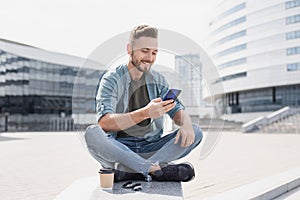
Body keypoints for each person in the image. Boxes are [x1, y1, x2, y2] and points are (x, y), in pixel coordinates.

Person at [84, 24, 203, 182]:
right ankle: (152, 169)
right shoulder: (111, 79)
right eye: (145, 51)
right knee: (92, 133)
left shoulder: (158, 80)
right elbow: (105, 122)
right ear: (129, 49)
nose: (150, 58)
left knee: (196, 131)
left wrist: (186, 123)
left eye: (154, 52)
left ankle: (133, 170)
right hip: (120, 148)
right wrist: (146, 113)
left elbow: (176, 111)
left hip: (151, 148)